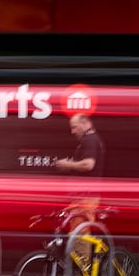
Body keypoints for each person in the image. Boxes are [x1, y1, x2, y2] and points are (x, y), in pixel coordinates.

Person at [54, 113, 106, 267]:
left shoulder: (90, 140)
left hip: (86, 198)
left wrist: (67, 165)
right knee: (78, 235)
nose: (73, 131)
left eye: (74, 127)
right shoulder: (92, 140)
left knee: (80, 235)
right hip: (84, 197)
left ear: (85, 124)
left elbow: (88, 164)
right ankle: (83, 274)